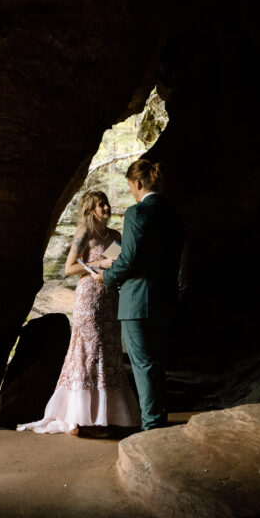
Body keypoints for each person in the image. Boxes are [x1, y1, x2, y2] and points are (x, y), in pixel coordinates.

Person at [18, 191, 140, 434]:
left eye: (107, 203)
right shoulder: (85, 233)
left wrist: (114, 268)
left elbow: (115, 265)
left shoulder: (115, 236)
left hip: (109, 298)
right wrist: (99, 264)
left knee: (109, 350)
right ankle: (81, 418)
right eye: (101, 204)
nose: (106, 208)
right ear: (91, 209)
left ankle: (108, 415)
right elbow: (69, 268)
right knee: (90, 351)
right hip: (88, 300)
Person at [95, 159, 183, 431]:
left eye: (130, 186)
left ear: (137, 182)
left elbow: (129, 258)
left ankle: (151, 426)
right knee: (157, 362)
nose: (131, 191)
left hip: (137, 299)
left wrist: (107, 276)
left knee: (143, 364)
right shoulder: (173, 213)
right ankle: (158, 419)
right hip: (165, 297)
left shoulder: (137, 212)